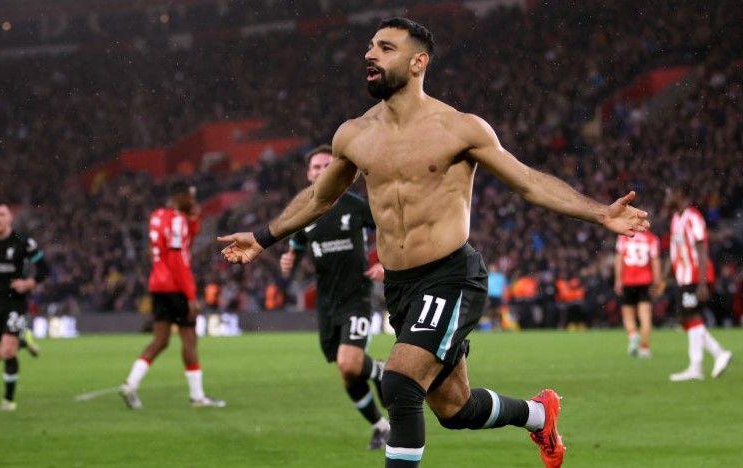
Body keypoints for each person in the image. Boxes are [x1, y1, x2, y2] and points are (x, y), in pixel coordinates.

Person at [217, 18, 649, 467]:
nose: (370, 54)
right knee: (454, 408)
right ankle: (540, 414)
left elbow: (528, 183)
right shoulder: (353, 135)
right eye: (370, 46)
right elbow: (320, 198)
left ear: (418, 62)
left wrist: (599, 211)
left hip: (451, 277)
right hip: (401, 288)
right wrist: (263, 237)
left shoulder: (458, 128)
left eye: (385, 48)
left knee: (400, 383)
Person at [280, 144, 390, 450]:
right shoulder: (305, 210)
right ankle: (381, 426)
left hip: (357, 296)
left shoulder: (356, 206)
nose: (320, 171)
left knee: (349, 363)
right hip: (326, 304)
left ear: (339, 172)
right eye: (315, 167)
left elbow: (389, 228)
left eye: (326, 165)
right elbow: (298, 240)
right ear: (308, 173)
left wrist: (383, 262)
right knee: (347, 374)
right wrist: (291, 256)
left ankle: (381, 371)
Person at [119, 184, 225, 409]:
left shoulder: (158, 216)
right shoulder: (177, 220)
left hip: (157, 284)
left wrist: (194, 218)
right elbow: (177, 257)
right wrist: (190, 295)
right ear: (180, 196)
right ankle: (197, 397)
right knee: (189, 339)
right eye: (192, 198)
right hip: (175, 285)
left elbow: (180, 242)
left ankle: (131, 383)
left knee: (161, 340)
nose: (195, 203)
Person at [0, 202, 47, 411]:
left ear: (10, 218)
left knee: (8, 351)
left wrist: (29, 283)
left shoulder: (24, 242)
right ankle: (23, 338)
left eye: (2, 214)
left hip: (15, 300)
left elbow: (43, 268)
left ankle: (9, 399)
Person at [665, 188, 733, 381]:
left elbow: (702, 249)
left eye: (670, 194)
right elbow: (675, 250)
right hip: (683, 276)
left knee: (691, 316)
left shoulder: (693, 217)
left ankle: (699, 366)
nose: (667, 198)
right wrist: (665, 276)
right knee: (685, 318)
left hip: (695, 275)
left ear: (682, 196)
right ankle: (717, 354)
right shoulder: (675, 219)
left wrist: (703, 282)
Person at [614, 229, 662, 358]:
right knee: (645, 316)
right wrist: (657, 281)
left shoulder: (623, 237)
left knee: (627, 314)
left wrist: (618, 280)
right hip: (645, 281)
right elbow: (655, 260)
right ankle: (645, 349)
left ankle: (633, 334)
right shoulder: (652, 238)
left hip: (628, 280)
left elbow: (619, 259)